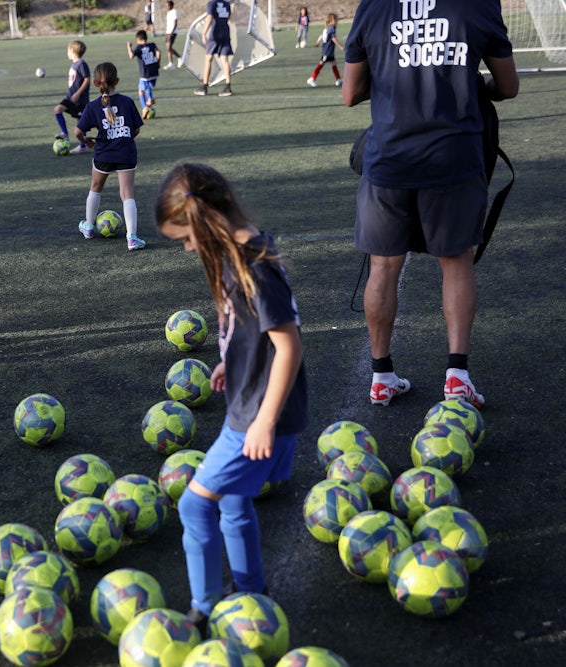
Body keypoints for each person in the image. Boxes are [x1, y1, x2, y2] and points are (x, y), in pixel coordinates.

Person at [154, 162, 308, 633]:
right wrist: (232, 357)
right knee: (235, 502)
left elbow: (290, 347)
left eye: (185, 238)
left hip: (258, 415)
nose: (186, 248)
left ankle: (202, 608)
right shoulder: (241, 248)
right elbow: (254, 332)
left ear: (204, 220)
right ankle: (251, 592)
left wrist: (263, 421)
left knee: (194, 504)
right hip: (250, 402)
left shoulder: (255, 267)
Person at [342, 0, 518, 409]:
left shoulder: (373, 6)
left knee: (383, 266)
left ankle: (381, 376)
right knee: (456, 262)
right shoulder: (478, 4)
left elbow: (350, 93)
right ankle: (457, 377)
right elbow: (508, 87)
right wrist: (476, 87)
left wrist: (390, 76)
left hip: (389, 158)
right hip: (453, 158)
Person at [75, 62, 146, 251]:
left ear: (96, 83)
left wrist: (87, 141)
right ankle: (132, 238)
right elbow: (136, 128)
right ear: (117, 81)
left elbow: (77, 131)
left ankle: (89, 227)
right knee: (127, 194)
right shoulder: (127, 102)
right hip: (125, 153)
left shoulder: (92, 106)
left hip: (103, 154)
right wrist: (124, 137)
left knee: (95, 188)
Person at [52, 40, 91, 155]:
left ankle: (83, 146)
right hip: (70, 98)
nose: (67, 53)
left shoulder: (81, 64)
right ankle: (65, 133)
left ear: (73, 51)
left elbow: (87, 79)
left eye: (68, 50)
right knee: (58, 109)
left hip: (80, 99)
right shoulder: (74, 64)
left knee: (80, 123)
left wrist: (78, 93)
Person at [194, 0, 233, 96]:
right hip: (225, 33)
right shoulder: (227, 4)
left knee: (208, 59)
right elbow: (228, 18)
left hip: (215, 35)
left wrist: (204, 33)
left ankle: (204, 86)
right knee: (225, 60)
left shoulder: (212, 4)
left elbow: (210, 18)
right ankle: (228, 87)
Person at [127, 30, 162, 119]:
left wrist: (129, 47)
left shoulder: (139, 47)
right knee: (145, 87)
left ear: (138, 39)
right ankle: (148, 102)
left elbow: (131, 56)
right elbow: (159, 52)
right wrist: (158, 62)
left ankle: (148, 103)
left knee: (142, 89)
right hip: (154, 70)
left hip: (145, 72)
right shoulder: (152, 45)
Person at [307, 13, 344, 87]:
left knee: (334, 63)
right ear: (334, 20)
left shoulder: (327, 27)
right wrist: (340, 46)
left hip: (328, 50)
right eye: (337, 19)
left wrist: (317, 43)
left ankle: (338, 80)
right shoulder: (332, 27)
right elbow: (333, 38)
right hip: (327, 50)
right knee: (321, 63)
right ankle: (312, 79)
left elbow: (321, 35)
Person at [163, 1, 180, 69]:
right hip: (168, 32)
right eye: (166, 6)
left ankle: (179, 58)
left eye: (167, 6)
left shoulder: (174, 12)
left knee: (169, 47)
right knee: (168, 48)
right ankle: (171, 63)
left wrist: (172, 32)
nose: (166, 7)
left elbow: (175, 22)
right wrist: (166, 33)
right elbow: (168, 24)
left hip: (172, 32)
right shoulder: (168, 13)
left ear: (171, 6)